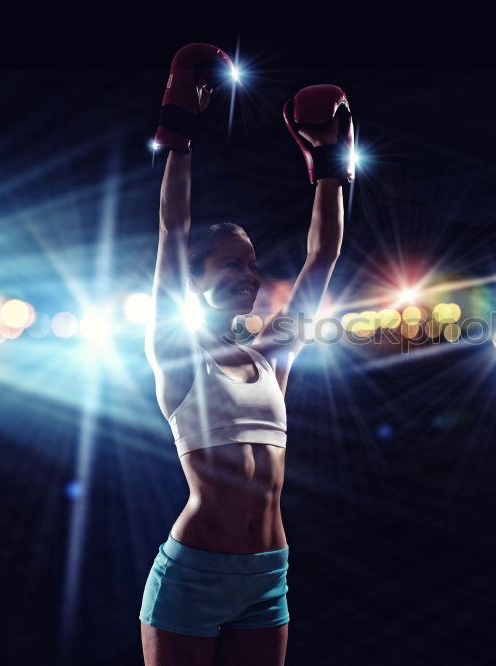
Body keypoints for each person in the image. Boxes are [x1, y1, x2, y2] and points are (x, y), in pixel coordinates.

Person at [138, 43, 354, 666]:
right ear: (195, 278)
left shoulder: (271, 360)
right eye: (231, 263)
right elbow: (172, 231)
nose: (249, 275)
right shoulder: (176, 354)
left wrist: (329, 167)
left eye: (253, 265)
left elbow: (324, 257)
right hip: (194, 574)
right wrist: (178, 126)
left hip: (268, 575)